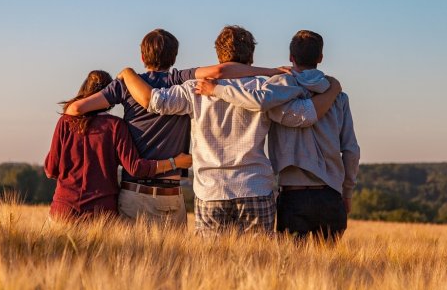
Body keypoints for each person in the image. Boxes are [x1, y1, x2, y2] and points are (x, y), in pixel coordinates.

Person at [117, 26, 342, 236]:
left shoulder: (193, 89)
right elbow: (303, 116)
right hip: (255, 188)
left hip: (211, 191)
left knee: (211, 267)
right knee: (258, 267)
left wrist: (128, 73)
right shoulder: (264, 89)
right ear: (251, 57)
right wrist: (333, 90)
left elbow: (154, 101)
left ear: (218, 55)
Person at [64, 28, 287, 226]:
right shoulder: (180, 80)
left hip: (134, 192)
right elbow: (220, 72)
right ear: (174, 57)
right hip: (172, 193)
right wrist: (271, 71)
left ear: (143, 57)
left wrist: (114, 117)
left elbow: (75, 110)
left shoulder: (125, 85)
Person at [195, 30, 360, 240]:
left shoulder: (277, 90)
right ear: (320, 58)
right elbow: (351, 151)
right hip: (331, 195)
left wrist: (217, 90)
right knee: (329, 270)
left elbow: (257, 101)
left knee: (290, 269)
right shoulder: (338, 97)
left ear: (291, 58)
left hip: (293, 196)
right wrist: (347, 192)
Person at [44, 70, 192, 220]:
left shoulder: (65, 122)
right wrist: (175, 162)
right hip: (101, 213)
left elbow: (51, 170)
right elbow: (135, 168)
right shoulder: (115, 126)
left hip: (63, 210)